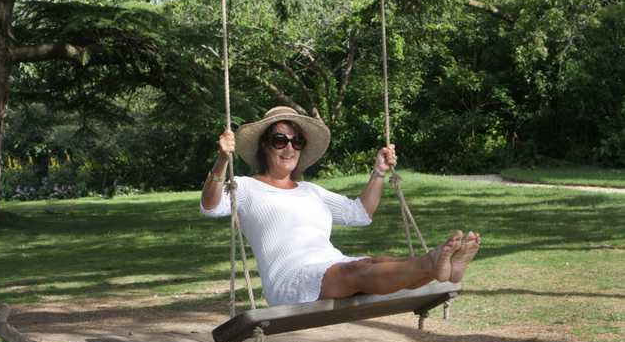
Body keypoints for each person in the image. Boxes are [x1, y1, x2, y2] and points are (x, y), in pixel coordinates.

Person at [200, 106, 480, 306]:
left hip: (330, 265)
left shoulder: (311, 191)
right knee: (356, 271)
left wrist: (379, 172)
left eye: (296, 141)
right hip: (291, 280)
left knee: (375, 262)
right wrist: (222, 160)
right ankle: (435, 263)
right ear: (264, 146)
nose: (289, 148)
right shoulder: (247, 187)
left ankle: (441, 269)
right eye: (279, 140)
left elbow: (360, 213)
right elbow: (211, 206)